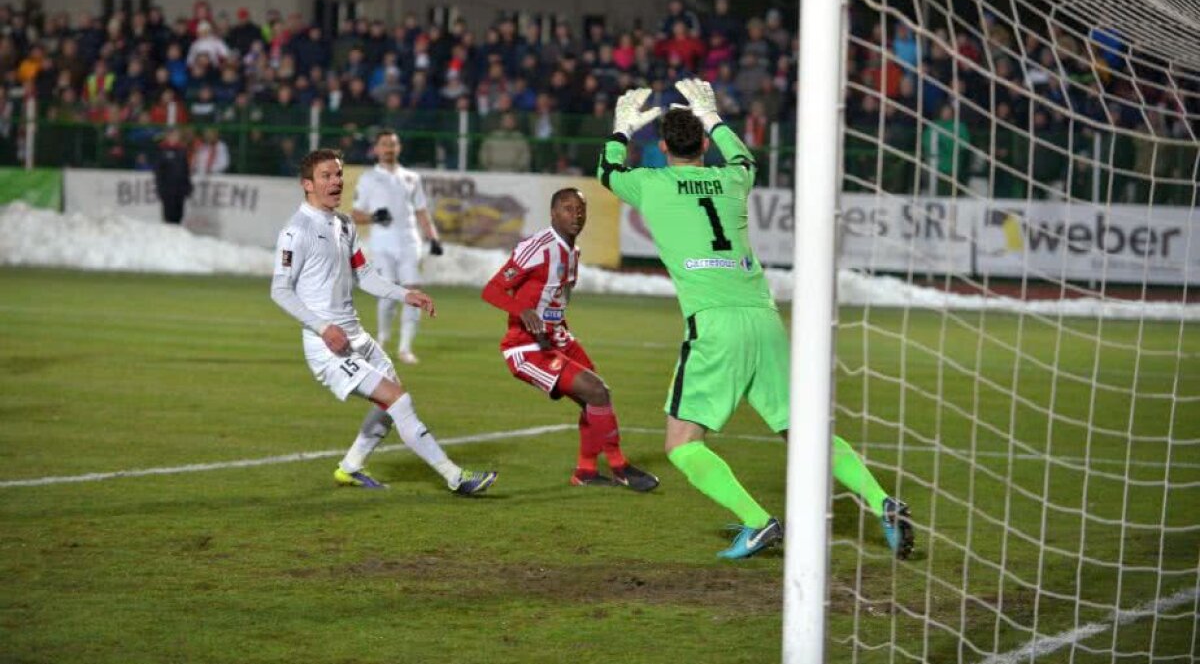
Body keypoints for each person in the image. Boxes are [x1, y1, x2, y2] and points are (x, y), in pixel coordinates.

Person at [597, 79, 914, 560]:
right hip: (765, 321)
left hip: (715, 324)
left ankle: (758, 521)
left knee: (682, 445)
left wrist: (621, 129)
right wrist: (714, 118)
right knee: (805, 433)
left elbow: (607, 170)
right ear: (704, 145)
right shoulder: (732, 180)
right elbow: (745, 159)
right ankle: (881, 500)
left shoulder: (651, 184)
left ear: (663, 149)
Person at [271, 148, 497, 494]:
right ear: (307, 184)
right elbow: (280, 290)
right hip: (328, 346)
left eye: (338, 174)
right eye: (326, 176)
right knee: (399, 401)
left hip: (357, 336)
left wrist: (405, 294)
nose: (335, 181)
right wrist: (322, 327)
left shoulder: (345, 224)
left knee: (390, 405)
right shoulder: (296, 231)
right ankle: (455, 477)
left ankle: (351, 466)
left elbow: (364, 275)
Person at [481, 188, 659, 492]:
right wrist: (522, 310)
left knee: (597, 396)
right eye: (567, 208)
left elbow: (554, 302)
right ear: (553, 213)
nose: (575, 215)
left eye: (580, 209)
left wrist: (559, 332)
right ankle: (620, 467)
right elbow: (492, 289)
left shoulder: (572, 252)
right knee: (596, 391)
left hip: (556, 339)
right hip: (526, 346)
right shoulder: (538, 247)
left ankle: (586, 472)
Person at [350, 131, 443, 365]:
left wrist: (433, 237)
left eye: (392, 144)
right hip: (383, 245)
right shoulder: (368, 178)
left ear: (398, 148)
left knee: (413, 291)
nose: (389, 149)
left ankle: (405, 348)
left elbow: (421, 211)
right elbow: (356, 214)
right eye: (384, 145)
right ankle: (382, 339)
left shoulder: (411, 177)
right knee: (389, 293)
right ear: (376, 149)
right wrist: (373, 217)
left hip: (410, 242)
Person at [154, 127, 193, 224]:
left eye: (177, 135)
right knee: (169, 214)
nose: (175, 137)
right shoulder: (162, 149)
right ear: (168, 136)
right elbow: (158, 171)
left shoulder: (182, 150)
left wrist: (188, 185)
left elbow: (185, 170)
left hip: (180, 187)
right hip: (167, 187)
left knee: (179, 213)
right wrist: (160, 187)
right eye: (173, 135)